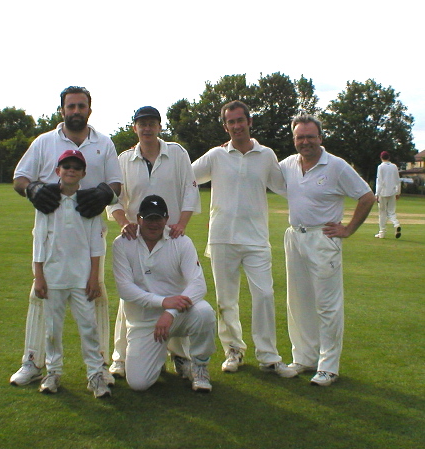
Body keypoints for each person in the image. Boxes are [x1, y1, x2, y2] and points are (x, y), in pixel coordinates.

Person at [10, 86, 122, 387]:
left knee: (94, 295)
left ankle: (98, 368)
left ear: (89, 109)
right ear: (62, 110)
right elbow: (19, 178)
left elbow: (116, 184)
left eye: (81, 106)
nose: (75, 111)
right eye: (70, 106)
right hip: (51, 230)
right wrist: (32, 189)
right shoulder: (44, 141)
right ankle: (33, 362)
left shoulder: (104, 143)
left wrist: (103, 192)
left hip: (88, 231)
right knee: (40, 296)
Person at [192, 100, 296, 378]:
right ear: (225, 126)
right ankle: (233, 350)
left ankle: (269, 356)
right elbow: (185, 176)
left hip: (256, 239)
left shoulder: (266, 155)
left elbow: (285, 187)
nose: (236, 126)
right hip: (222, 237)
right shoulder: (216, 155)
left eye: (241, 120)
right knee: (226, 300)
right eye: (231, 122)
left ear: (249, 122)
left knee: (264, 295)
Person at [279, 113, 375, 386]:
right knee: (298, 302)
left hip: (323, 239)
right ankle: (303, 358)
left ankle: (328, 366)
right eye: (300, 137)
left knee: (327, 305)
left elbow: (367, 196)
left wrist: (348, 229)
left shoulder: (336, 166)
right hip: (295, 237)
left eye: (310, 136)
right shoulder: (287, 165)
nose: (305, 142)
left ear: (320, 138)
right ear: (294, 139)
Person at [106, 106, 200, 379]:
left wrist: (181, 224)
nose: (147, 128)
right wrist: (125, 224)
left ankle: (180, 356)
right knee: (131, 296)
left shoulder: (177, 153)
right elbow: (115, 200)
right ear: (135, 127)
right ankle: (121, 357)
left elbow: (189, 191)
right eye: (141, 124)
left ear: (159, 126)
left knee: (176, 289)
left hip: (170, 236)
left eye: (152, 123)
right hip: (135, 238)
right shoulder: (124, 159)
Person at [112, 195, 216, 392]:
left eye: (158, 218)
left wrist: (170, 312)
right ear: (138, 218)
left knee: (205, 313)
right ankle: (158, 355)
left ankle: (200, 366)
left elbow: (198, 285)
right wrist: (162, 303)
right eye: (148, 218)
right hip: (144, 320)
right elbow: (125, 289)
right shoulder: (123, 243)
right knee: (139, 384)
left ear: (166, 219)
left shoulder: (181, 242)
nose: (153, 223)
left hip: (177, 314)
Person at [33, 149, 111, 397]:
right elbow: (39, 241)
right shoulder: (46, 201)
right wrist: (39, 276)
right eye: (66, 166)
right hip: (53, 276)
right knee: (53, 329)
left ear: (83, 174)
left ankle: (95, 375)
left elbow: (95, 244)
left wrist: (94, 277)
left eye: (76, 167)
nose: (70, 170)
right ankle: (53, 372)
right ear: (58, 171)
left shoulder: (89, 203)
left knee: (88, 328)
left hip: (81, 278)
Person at [374, 151, 402, 239]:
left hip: (383, 193)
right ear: (389, 157)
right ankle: (396, 224)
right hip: (392, 192)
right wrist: (398, 192)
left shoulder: (380, 167)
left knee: (382, 213)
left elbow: (380, 181)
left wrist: (377, 194)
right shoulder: (394, 166)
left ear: (381, 157)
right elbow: (397, 180)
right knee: (391, 211)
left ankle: (382, 233)